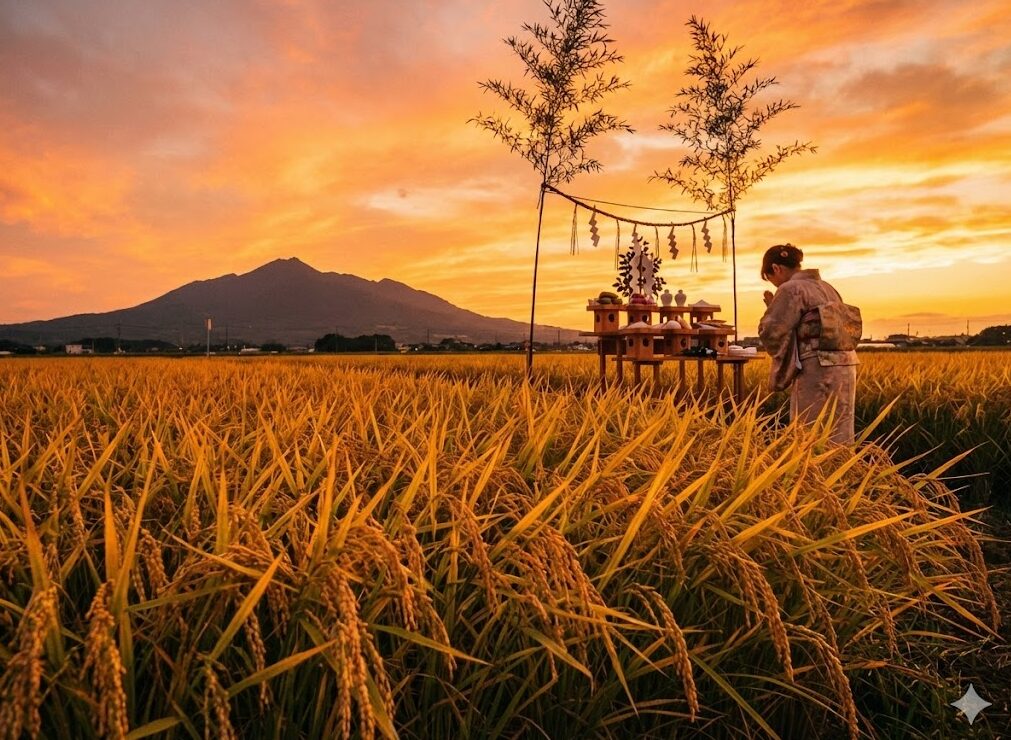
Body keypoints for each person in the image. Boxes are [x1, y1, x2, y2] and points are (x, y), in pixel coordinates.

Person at [757, 244, 860, 444]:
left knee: (810, 432)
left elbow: (771, 331)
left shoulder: (790, 289)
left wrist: (771, 310)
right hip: (846, 367)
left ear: (776, 268)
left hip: (817, 368)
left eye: (771, 278)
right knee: (840, 430)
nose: (774, 285)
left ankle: (813, 474)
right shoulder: (828, 288)